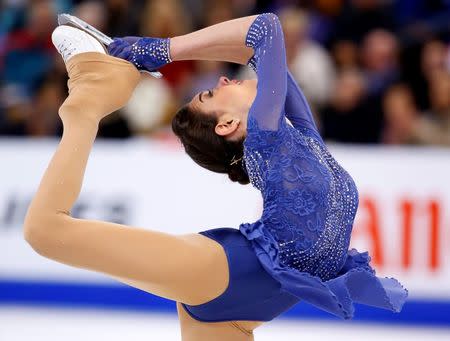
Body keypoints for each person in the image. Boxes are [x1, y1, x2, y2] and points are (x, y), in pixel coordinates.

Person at [24, 15, 406, 341]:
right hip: (228, 272)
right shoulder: (265, 135)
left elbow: (255, 50)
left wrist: (147, 50)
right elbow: (264, 30)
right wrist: (157, 50)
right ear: (227, 124)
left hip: (250, 301)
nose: (223, 79)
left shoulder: (303, 136)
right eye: (210, 93)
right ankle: (88, 104)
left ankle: (103, 81)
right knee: (45, 231)